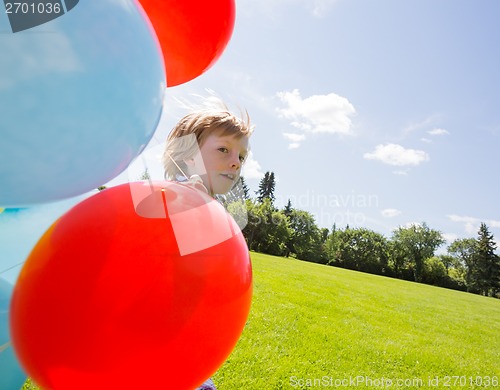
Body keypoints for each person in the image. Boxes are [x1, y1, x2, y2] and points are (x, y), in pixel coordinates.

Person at [162, 101, 253, 390]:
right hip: (164, 343)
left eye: (241, 155)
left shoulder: (208, 203)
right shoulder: (182, 194)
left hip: (187, 346)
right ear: (188, 157)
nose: (236, 162)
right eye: (224, 150)